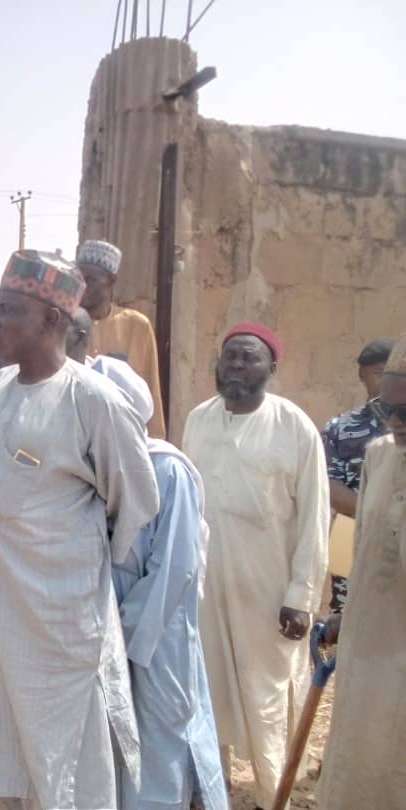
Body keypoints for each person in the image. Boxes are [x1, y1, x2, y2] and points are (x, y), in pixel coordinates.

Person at [0, 250, 160, 809]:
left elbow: (134, 500)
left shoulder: (93, 399)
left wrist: (69, 563)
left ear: (52, 319)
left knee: (63, 760)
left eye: (9, 310)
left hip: (57, 622)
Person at [182, 323, 329, 809]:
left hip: (267, 594)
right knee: (207, 692)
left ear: (272, 368)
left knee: (267, 700)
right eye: (230, 356)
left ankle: (272, 797)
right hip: (206, 588)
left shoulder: (294, 426)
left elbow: (314, 517)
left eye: (250, 358)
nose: (238, 366)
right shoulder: (199, 419)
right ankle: (211, 791)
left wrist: (301, 596)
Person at [88, 359, 229, 810]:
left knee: (160, 729)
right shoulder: (89, 469)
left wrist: (124, 629)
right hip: (99, 622)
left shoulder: (168, 469)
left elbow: (175, 565)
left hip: (156, 627)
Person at [316, 333, 406, 809]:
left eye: (404, 411)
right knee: (357, 772)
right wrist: (347, 616)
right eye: (386, 409)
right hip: (370, 649)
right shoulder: (381, 455)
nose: (393, 422)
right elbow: (369, 555)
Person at [320, 337, 394, 612]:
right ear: (362, 375)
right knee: (347, 611)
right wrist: (379, 512)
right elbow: (329, 486)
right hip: (350, 531)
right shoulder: (340, 427)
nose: (387, 382)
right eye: (379, 373)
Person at [76, 239, 167, 438]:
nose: (83, 286)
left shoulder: (137, 326)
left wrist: (156, 441)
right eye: (79, 278)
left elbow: (151, 388)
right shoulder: (65, 325)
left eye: (91, 280)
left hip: (124, 436)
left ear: (111, 280)